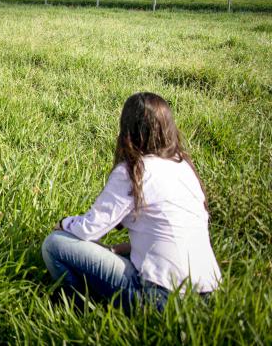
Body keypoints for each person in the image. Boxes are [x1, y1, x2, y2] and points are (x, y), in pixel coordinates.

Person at [41, 92, 221, 311]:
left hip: (158, 297)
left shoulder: (134, 170)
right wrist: (115, 250)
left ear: (127, 129)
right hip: (206, 296)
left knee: (55, 244)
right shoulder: (183, 168)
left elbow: (89, 229)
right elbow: (167, 237)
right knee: (112, 252)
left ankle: (80, 306)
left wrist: (64, 223)